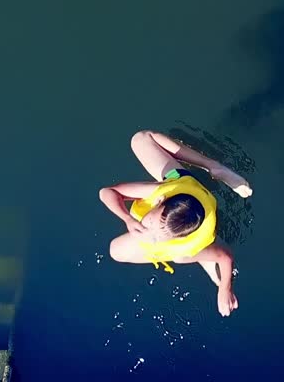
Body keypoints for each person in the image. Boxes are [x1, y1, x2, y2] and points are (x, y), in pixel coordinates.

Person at [98, 130, 253, 317]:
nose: (149, 228)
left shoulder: (183, 247)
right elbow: (107, 192)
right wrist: (127, 219)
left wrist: (225, 289)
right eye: (151, 221)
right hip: (182, 185)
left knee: (116, 251)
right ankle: (213, 166)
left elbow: (226, 257)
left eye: (158, 234)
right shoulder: (159, 190)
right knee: (140, 139)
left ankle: (205, 259)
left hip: (195, 231)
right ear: (158, 201)